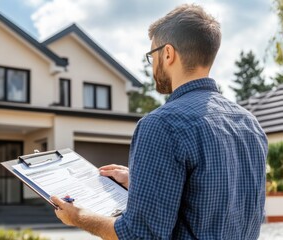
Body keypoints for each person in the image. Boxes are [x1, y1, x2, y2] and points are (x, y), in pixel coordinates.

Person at [51, 4, 268, 240]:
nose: (152, 64)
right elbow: (216, 199)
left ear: (167, 54)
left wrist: (78, 216)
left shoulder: (162, 124)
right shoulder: (250, 124)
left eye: (151, 55)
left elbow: (139, 235)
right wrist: (141, 181)